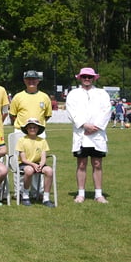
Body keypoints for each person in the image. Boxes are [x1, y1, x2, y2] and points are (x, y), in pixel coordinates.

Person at [65, 67, 111, 204]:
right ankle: (80, 193)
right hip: (81, 134)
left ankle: (98, 194)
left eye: (89, 77)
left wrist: (96, 126)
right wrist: (84, 125)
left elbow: (107, 110)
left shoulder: (102, 93)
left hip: (98, 134)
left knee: (97, 163)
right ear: (80, 77)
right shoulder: (73, 94)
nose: (87, 79)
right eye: (84, 76)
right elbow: (71, 112)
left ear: (94, 78)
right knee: (81, 164)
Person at [16, 118, 55, 207]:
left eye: (34, 127)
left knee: (49, 171)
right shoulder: (22, 140)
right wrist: (33, 164)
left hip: (38, 163)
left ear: (38, 129)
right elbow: (23, 159)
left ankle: (46, 198)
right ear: (26, 129)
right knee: (29, 171)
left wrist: (41, 164)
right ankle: (25, 195)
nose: (32, 129)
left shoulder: (42, 141)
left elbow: (43, 156)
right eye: (30, 127)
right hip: (26, 164)